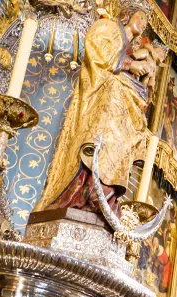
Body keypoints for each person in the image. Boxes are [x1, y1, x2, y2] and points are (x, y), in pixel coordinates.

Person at [33, 4, 153, 216]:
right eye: (141, 17)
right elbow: (95, 50)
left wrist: (142, 72)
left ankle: (105, 190)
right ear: (127, 14)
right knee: (110, 104)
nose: (143, 24)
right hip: (98, 102)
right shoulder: (107, 27)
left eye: (146, 21)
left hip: (115, 115)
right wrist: (128, 65)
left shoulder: (131, 49)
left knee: (121, 135)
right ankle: (89, 189)